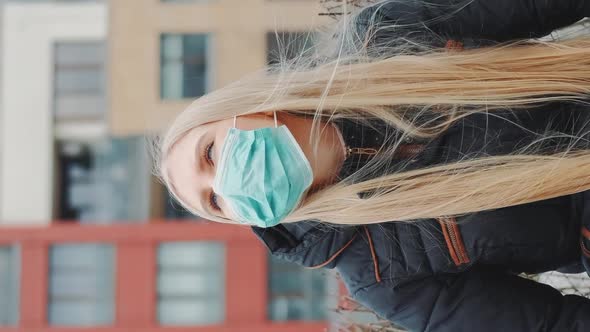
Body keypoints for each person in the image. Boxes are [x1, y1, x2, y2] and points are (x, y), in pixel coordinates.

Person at [154, 0, 590, 331]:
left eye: (209, 153)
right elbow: (555, 325)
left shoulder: (382, 38)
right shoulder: (385, 280)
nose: (226, 182)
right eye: (214, 201)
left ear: (245, 109)